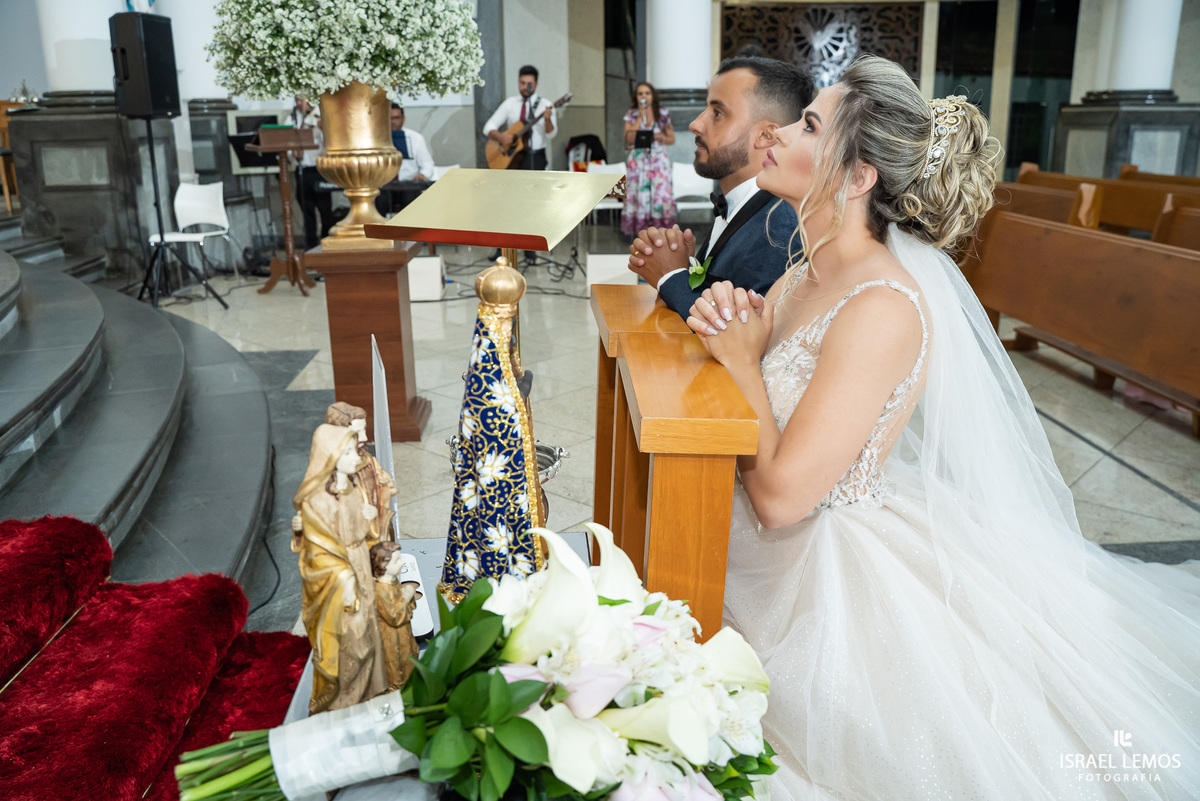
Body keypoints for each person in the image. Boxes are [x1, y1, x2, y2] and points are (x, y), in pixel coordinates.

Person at [688, 54, 1200, 799]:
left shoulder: (880, 306)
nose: (774, 133)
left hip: (825, 568)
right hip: (766, 540)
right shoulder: (807, 269)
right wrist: (736, 327)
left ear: (859, 176)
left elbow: (780, 498)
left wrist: (740, 361)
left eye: (805, 124)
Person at [627, 57, 813, 321]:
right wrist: (683, 264)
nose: (695, 124)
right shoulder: (745, 203)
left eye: (717, 113)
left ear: (766, 136)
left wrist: (671, 277)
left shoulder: (779, 226)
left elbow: (742, 335)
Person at [484, 64, 558, 264]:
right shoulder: (510, 104)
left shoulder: (546, 105)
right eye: (522, 82)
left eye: (530, 83)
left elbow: (552, 133)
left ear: (536, 84)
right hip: (513, 161)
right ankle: (503, 247)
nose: (526, 86)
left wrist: (548, 120)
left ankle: (530, 249)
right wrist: (501, 137)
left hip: (536, 156)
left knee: (531, 205)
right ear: (518, 82)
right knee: (507, 204)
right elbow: (488, 127)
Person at [621, 82, 676, 235]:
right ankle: (639, 233)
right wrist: (639, 117)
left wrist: (661, 137)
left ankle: (660, 233)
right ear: (636, 97)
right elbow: (628, 139)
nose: (644, 96)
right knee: (639, 196)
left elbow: (672, 139)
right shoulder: (631, 114)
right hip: (638, 162)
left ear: (652, 96)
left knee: (659, 196)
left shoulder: (663, 114)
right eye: (640, 94)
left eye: (647, 93)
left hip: (658, 162)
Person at [377, 103, 435, 217]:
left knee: (411, 199)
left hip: (408, 185)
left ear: (403, 118)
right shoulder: (376, 138)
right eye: (389, 118)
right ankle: (378, 233)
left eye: (396, 118)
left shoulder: (415, 138)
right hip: (384, 186)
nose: (393, 121)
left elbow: (428, 163)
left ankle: (412, 233)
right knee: (378, 200)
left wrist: (422, 174)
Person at [292, 96, 332, 249]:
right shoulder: (292, 118)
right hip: (302, 169)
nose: (299, 103)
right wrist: (293, 152)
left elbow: (328, 141)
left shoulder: (320, 115)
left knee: (325, 209)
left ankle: (327, 244)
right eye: (297, 100)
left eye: (302, 100)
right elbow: (285, 139)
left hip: (320, 169)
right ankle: (311, 247)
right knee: (307, 211)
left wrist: (322, 127)